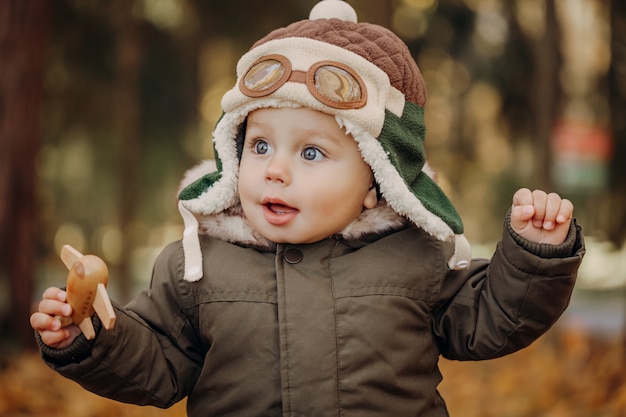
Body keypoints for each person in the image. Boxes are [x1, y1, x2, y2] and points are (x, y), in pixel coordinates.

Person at [30, 1, 585, 416]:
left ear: (377, 177)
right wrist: (88, 337)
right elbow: (157, 363)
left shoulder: (416, 255)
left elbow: (489, 320)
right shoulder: (196, 266)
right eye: (260, 145)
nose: (275, 169)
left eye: (312, 152)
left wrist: (537, 254)